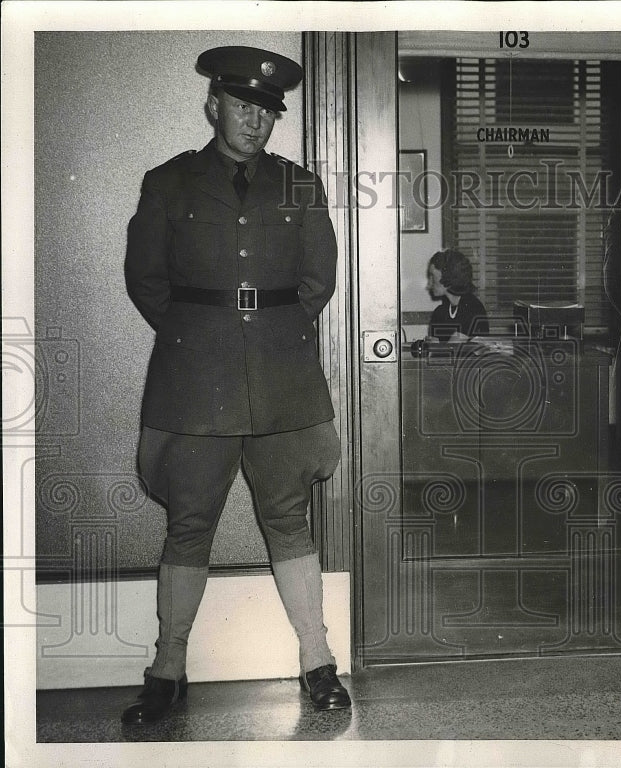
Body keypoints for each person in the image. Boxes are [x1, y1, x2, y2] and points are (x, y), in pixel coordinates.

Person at [121, 45, 349, 724]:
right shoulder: (167, 183)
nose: (256, 121)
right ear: (213, 105)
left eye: (268, 111)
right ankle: (167, 672)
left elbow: (319, 282)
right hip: (195, 379)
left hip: (284, 376)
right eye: (244, 106)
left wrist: (267, 333)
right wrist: (207, 331)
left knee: (289, 519)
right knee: (188, 525)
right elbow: (147, 283)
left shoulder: (300, 183)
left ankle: (317, 662)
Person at [425, 248, 489, 343]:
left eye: (432, 277)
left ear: (448, 278)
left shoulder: (473, 309)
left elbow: (451, 352)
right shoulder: (439, 313)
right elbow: (433, 352)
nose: (429, 284)